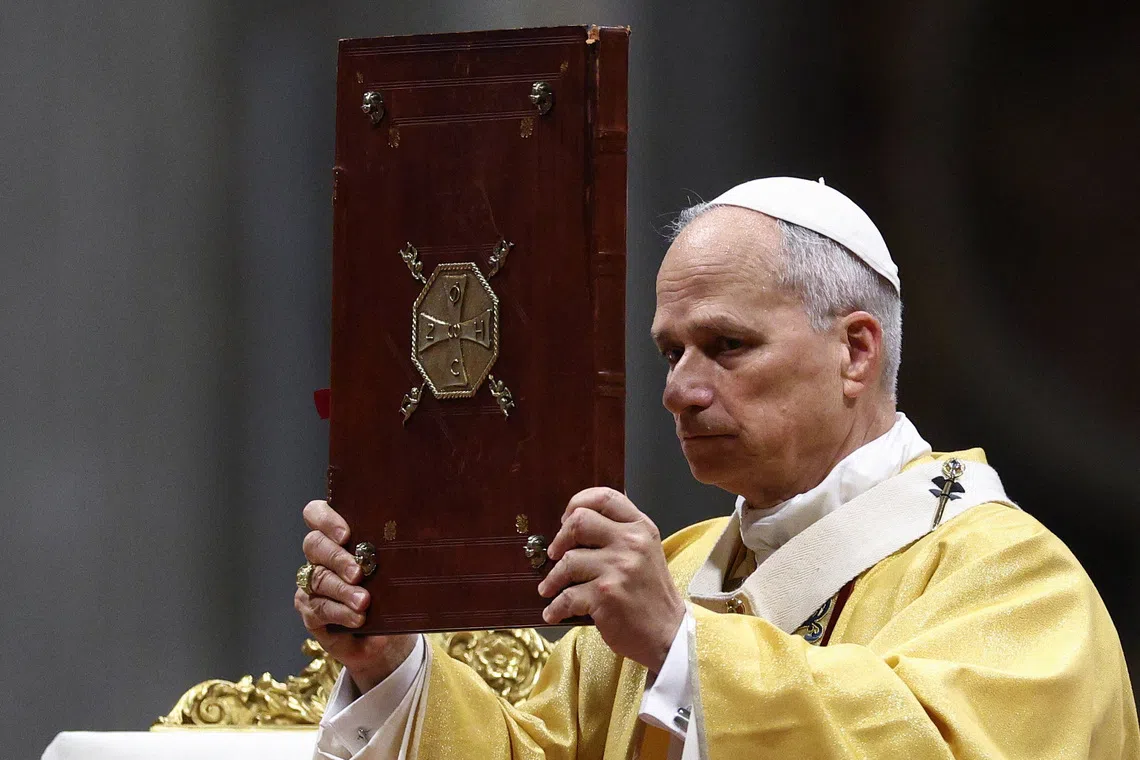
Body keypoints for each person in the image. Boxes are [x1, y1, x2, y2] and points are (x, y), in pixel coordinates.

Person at [294, 177, 1139, 759]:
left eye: (726, 346)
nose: (678, 391)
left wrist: (683, 646)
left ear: (854, 351)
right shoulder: (676, 569)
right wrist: (391, 661)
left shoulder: (1014, 580)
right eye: (671, 351)